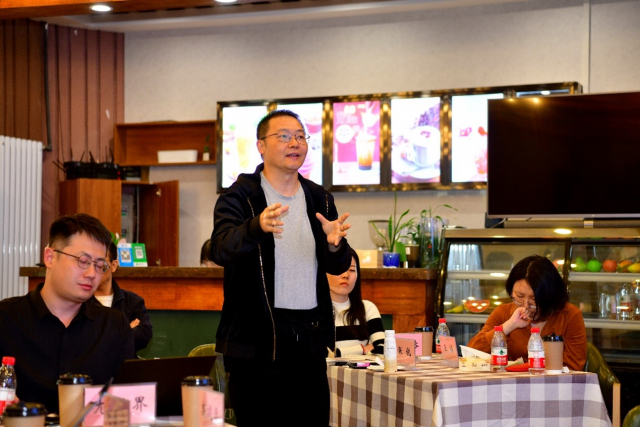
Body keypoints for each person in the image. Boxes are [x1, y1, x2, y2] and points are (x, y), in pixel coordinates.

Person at [210, 109, 351, 427]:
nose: (295, 143)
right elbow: (221, 249)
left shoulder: (319, 198)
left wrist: (335, 245)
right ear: (261, 145)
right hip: (256, 345)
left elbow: (338, 264)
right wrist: (256, 226)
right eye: (284, 136)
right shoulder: (240, 196)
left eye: (300, 136)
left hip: (309, 345)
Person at [0, 213, 135, 412]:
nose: (91, 274)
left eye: (100, 265)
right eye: (83, 261)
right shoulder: (6, 318)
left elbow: (129, 403)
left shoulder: (114, 326)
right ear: (50, 257)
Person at [467, 254, 587, 370]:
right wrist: (509, 325)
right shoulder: (503, 312)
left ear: (550, 295)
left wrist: (526, 368)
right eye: (519, 296)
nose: (525, 305)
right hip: (510, 383)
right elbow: (472, 353)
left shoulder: (569, 315)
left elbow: (574, 366)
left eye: (534, 299)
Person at [94, 242, 153, 353]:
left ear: (113, 265)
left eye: (100, 263)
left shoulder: (132, 301)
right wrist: (126, 331)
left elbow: (144, 336)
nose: (93, 270)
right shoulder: (78, 301)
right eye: (88, 263)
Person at [328, 248, 384, 356]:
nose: (345, 275)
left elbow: (382, 348)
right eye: (339, 268)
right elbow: (318, 353)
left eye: (352, 270)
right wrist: (363, 349)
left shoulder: (367, 308)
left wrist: (336, 353)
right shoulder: (314, 312)